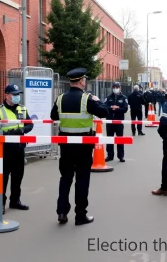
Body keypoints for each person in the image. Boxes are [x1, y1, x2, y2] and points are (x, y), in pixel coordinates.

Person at [50, 68, 108, 226]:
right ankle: (80, 215)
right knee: (82, 180)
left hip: (66, 146)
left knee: (65, 178)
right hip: (83, 145)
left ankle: (62, 212)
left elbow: (53, 116)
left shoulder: (60, 98)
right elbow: (104, 112)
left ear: (70, 81)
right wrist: (97, 101)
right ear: (82, 81)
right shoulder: (87, 99)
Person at [0, 84, 34, 214]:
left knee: (18, 176)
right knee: (3, 177)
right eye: (14, 94)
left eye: (18, 94)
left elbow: (30, 124)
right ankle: (1, 203)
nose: (17, 96)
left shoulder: (22, 109)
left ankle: (15, 201)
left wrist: (21, 130)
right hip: (5, 149)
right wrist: (8, 135)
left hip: (19, 147)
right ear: (7, 95)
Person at [104, 82, 128, 162]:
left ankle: (121, 156)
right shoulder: (108, 97)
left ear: (120, 87)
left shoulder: (123, 98)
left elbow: (125, 109)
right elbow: (104, 106)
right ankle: (110, 155)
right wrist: (111, 107)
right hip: (110, 121)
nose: (115, 88)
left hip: (119, 121)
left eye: (117, 87)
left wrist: (117, 108)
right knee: (109, 139)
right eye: (114, 87)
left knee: (120, 139)